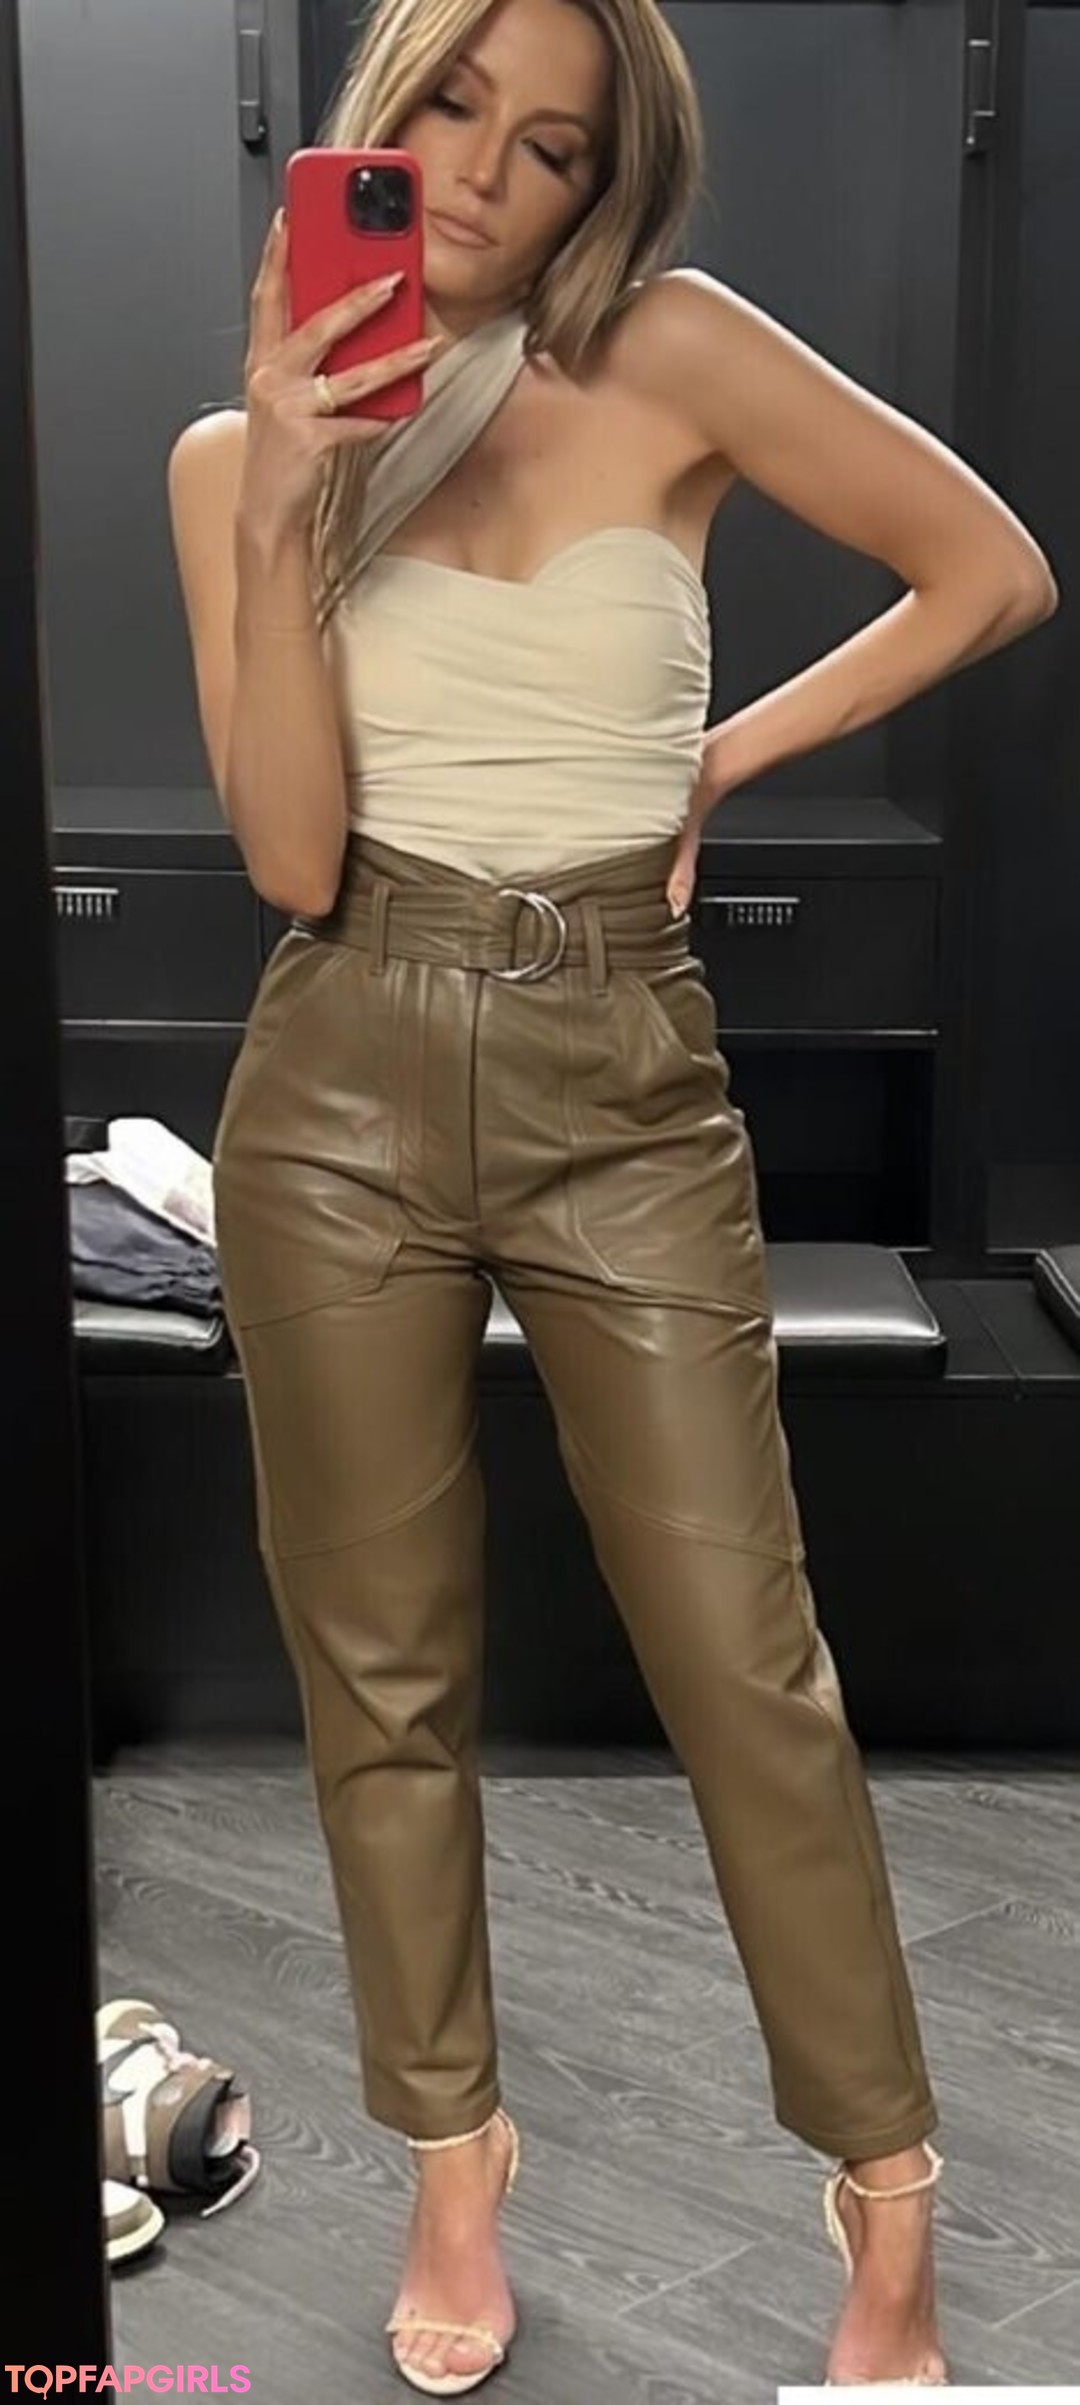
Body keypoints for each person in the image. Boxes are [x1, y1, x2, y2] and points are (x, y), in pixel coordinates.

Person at [167, 0, 1058, 2391]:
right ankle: (452, 2162)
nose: (484, 174)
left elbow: (988, 571)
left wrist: (722, 754)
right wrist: (286, 491)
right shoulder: (231, 455)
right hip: (338, 1075)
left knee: (746, 1662)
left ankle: (887, 2196)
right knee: (380, 1673)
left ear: (603, 183)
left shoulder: (675, 351)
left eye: (551, 146)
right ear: (386, 96)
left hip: (620, 1070)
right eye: (457, 103)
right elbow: (289, 860)